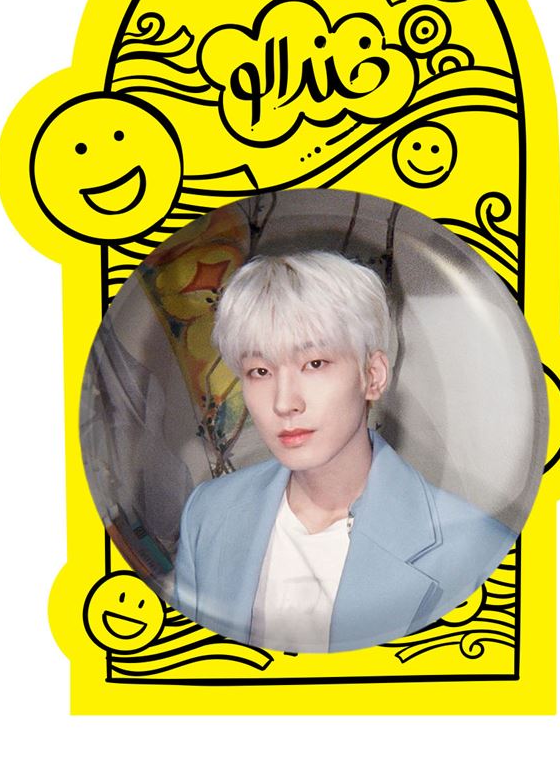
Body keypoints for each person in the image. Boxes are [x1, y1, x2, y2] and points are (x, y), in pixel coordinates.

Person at [173, 250, 517, 652]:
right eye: (260, 371)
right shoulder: (208, 512)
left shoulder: (475, 547)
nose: (284, 403)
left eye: (315, 363)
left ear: (373, 376)